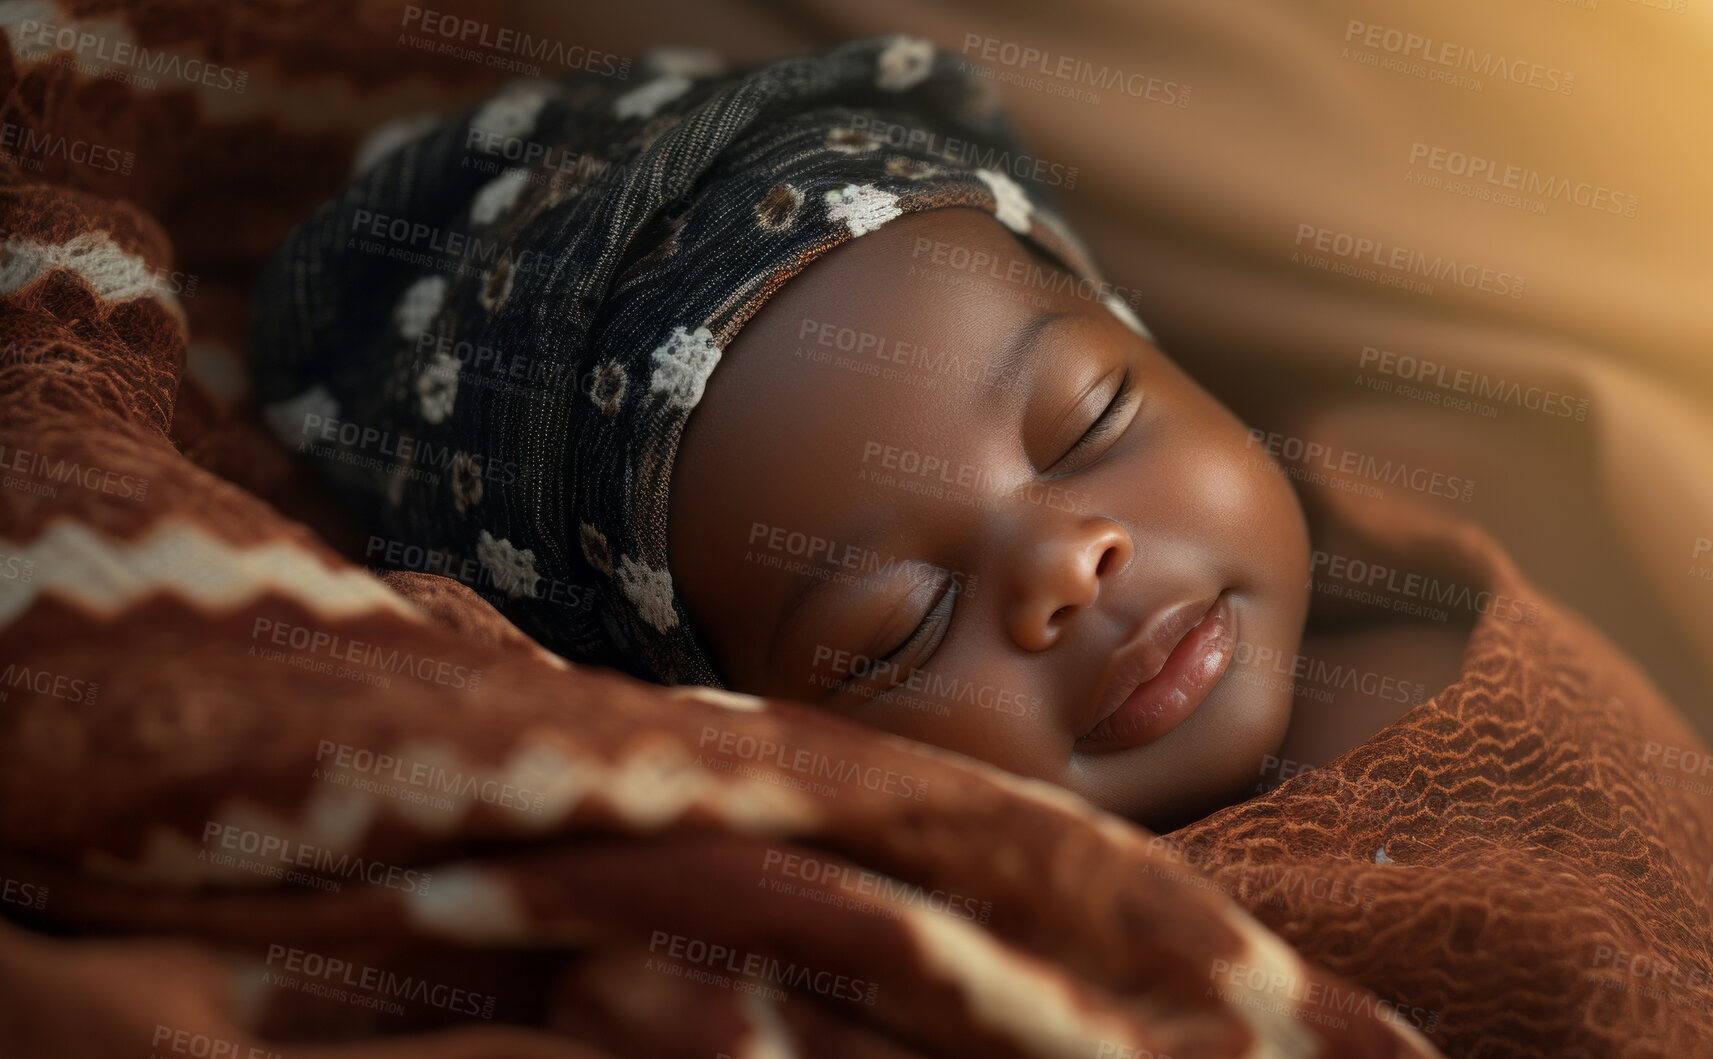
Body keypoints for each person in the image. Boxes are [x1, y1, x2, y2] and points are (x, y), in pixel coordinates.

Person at [252, 35, 1466, 830]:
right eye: (904, 623)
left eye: (1093, 419)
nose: (1066, 561)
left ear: (1154, 341)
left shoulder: (1461, 613)